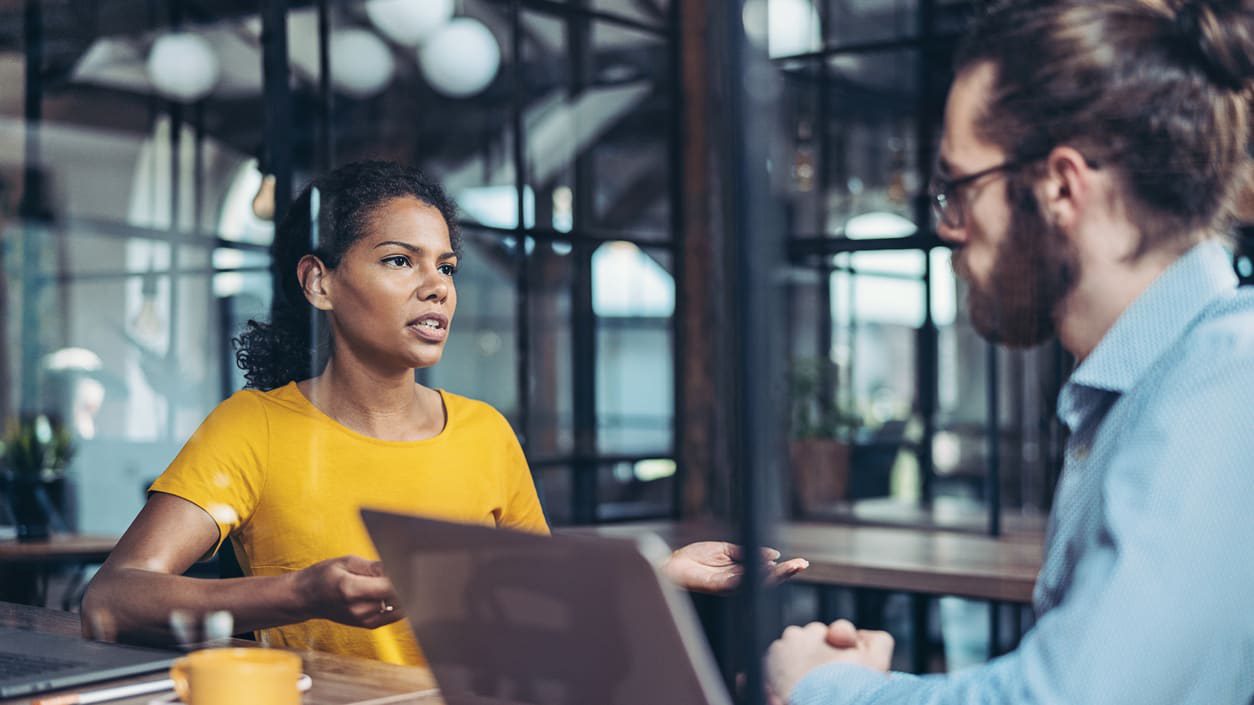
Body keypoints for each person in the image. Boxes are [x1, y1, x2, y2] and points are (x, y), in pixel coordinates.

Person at [82, 160, 806, 664]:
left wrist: (660, 571)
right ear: (320, 281)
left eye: (448, 267)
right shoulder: (253, 427)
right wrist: (299, 593)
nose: (437, 287)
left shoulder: (485, 431)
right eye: (401, 260)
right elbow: (112, 599)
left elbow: (540, 600)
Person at [766, 0, 1254, 703]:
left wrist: (825, 690)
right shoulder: (1143, 388)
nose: (948, 229)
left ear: (1061, 186)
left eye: (958, 190)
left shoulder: (1227, 381)